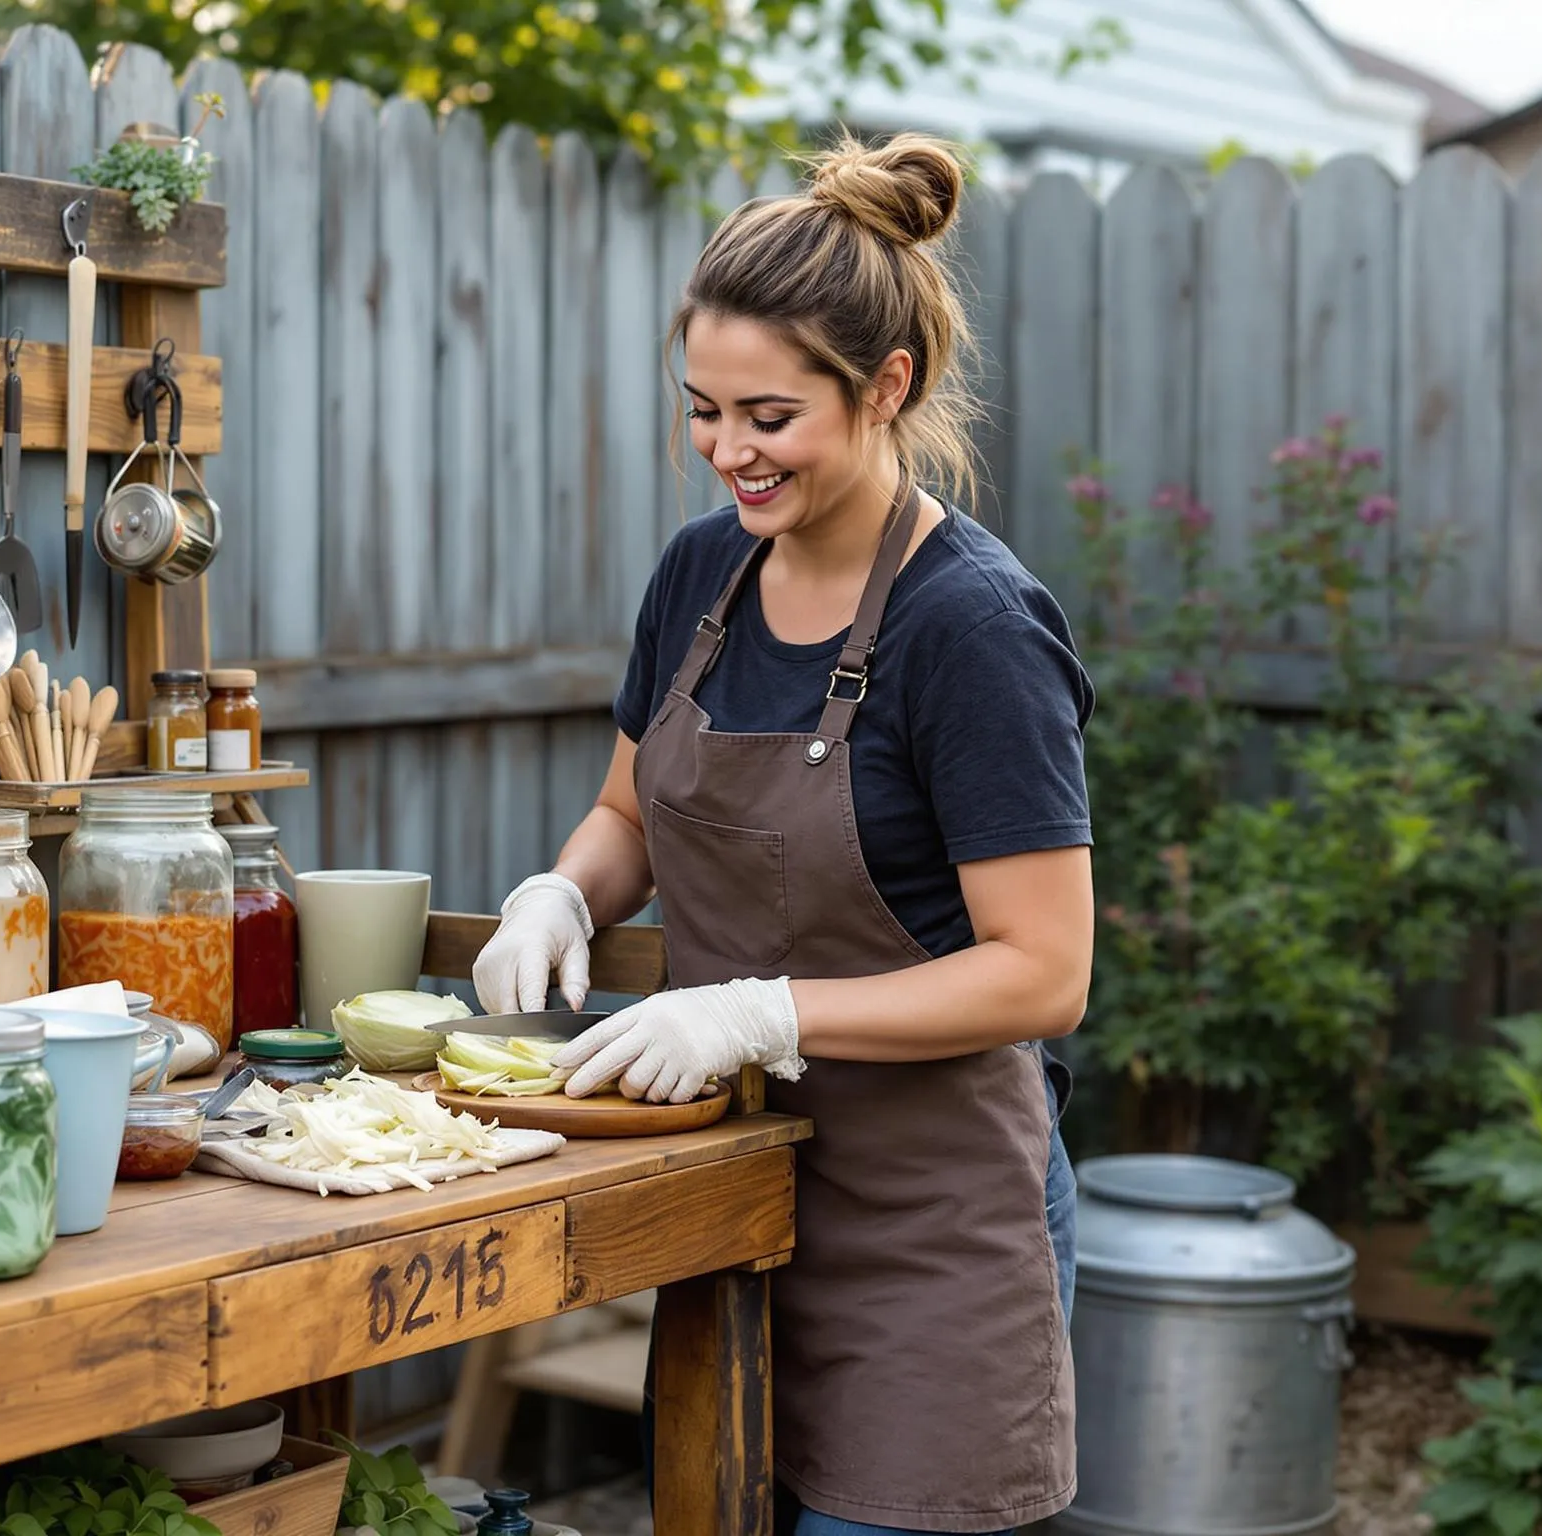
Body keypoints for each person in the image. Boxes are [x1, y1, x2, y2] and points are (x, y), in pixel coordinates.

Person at [471, 132, 1089, 1536]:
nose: (728, 454)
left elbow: (1043, 975)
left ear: (887, 388)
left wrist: (759, 1011)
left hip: (930, 1247)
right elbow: (635, 809)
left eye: (767, 416)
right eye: (701, 412)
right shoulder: (704, 574)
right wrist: (562, 894)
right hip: (732, 1205)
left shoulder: (973, 629)